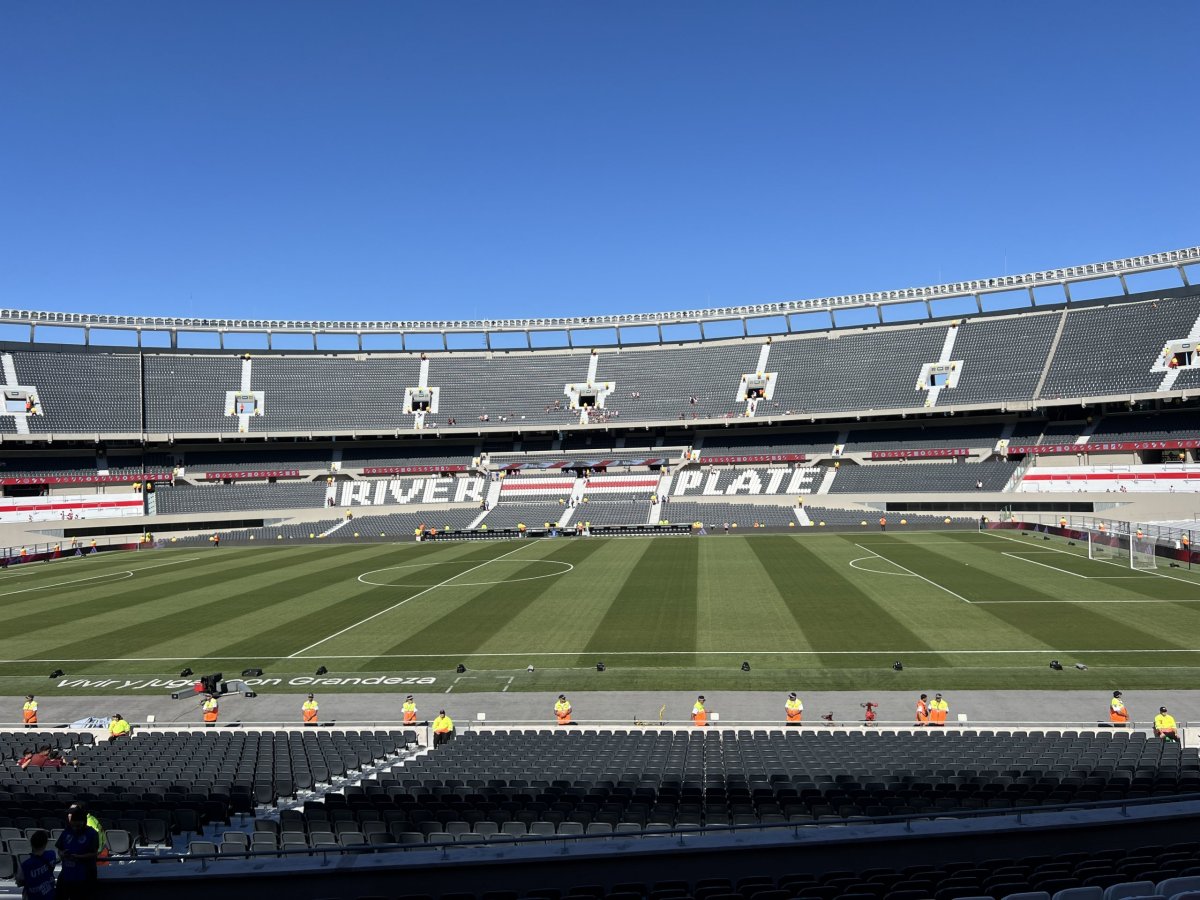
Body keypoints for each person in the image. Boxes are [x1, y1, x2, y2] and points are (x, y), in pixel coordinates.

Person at [55, 805, 99, 898]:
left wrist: (78, 857)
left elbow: (94, 854)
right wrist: (62, 854)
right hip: (68, 875)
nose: (75, 828)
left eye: (78, 826)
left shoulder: (92, 834)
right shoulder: (67, 831)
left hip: (85, 876)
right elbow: (59, 849)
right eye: (73, 825)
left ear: (84, 822)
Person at [16, 829, 56, 898]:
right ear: (45, 843)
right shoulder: (52, 854)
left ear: (31, 844)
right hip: (50, 894)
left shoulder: (25, 865)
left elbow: (19, 882)